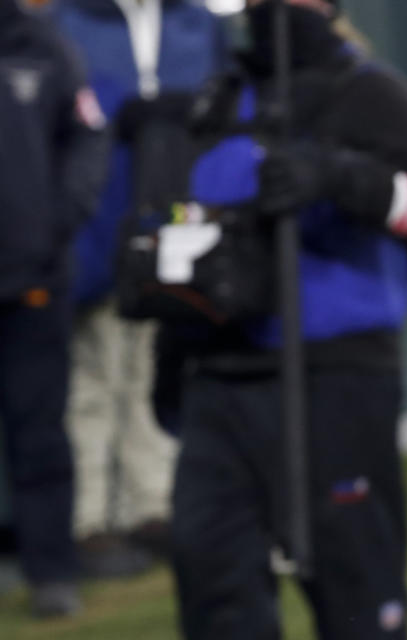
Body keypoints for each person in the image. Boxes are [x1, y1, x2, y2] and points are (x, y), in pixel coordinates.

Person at [167, 1, 407, 639]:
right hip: (220, 373)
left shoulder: (369, 91)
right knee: (213, 577)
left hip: (335, 373)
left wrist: (342, 179)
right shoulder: (222, 97)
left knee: (354, 582)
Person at [53, 0, 225, 574]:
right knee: (93, 378)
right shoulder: (66, 24)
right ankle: (89, 521)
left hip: (179, 230)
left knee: (156, 369)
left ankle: (152, 508)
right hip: (93, 232)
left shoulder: (196, 23)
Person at [0, 0, 108, 616]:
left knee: (38, 432)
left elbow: (87, 135)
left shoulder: (39, 43)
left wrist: (56, 222)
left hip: (33, 280)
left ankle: (50, 572)